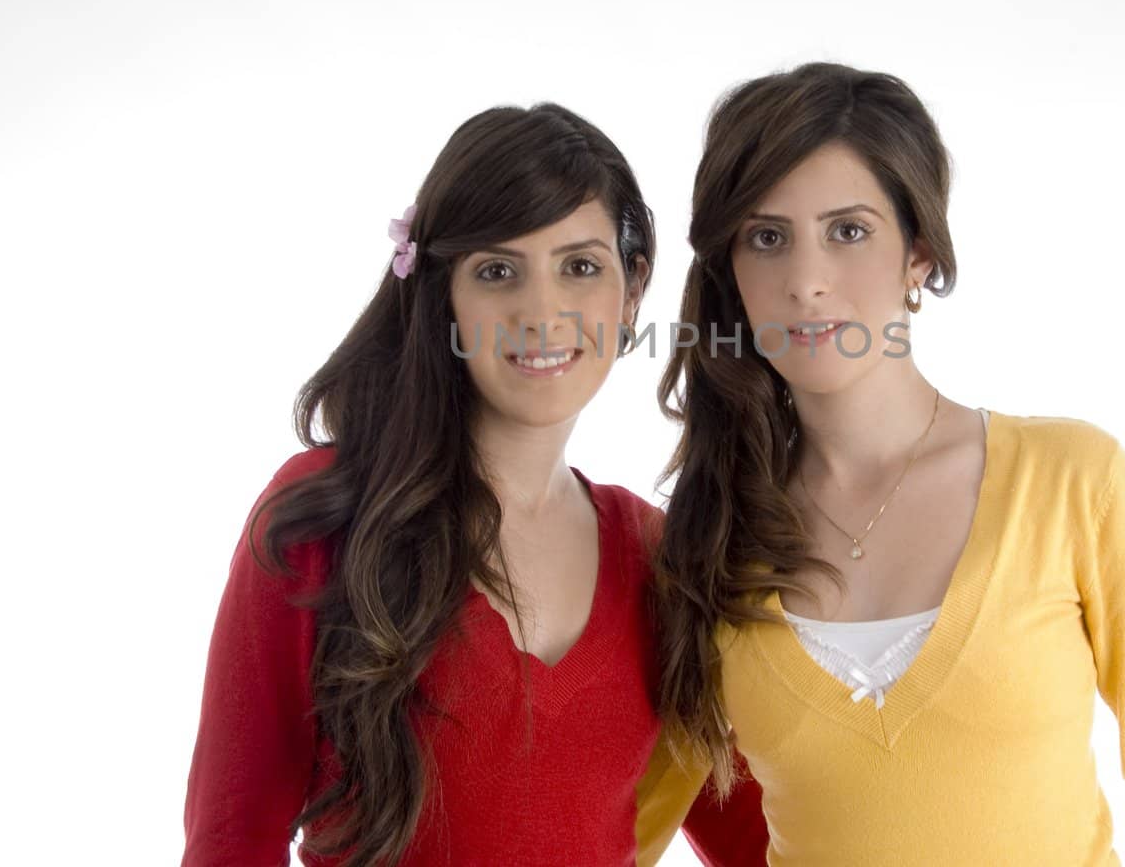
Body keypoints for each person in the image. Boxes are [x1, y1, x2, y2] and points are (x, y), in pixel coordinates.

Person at [649, 62, 1125, 864]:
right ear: (731, 272)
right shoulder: (705, 541)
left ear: (919, 254)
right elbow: (621, 821)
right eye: (768, 238)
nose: (806, 281)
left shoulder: (1073, 482)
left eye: (849, 231)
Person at [181, 103, 767, 866]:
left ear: (632, 292)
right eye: (497, 271)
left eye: (580, 266)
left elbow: (762, 836)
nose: (541, 311)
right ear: (441, 296)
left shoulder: (660, 557)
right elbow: (234, 835)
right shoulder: (325, 515)